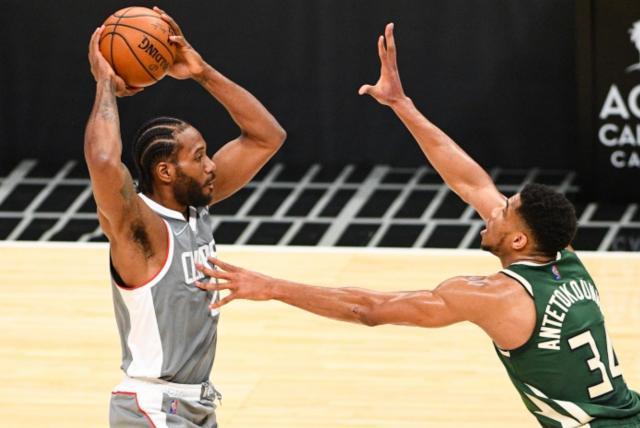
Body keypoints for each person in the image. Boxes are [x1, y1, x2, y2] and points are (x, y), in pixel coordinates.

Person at [195, 23, 640, 427]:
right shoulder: (564, 259)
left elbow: (368, 309)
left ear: (520, 240)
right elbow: (471, 182)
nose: (493, 209)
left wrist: (269, 286)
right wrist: (401, 105)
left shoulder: (494, 296)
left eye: (504, 211)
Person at [85, 7, 286, 427]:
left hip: (195, 405)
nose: (211, 165)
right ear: (165, 172)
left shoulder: (195, 205)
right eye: (199, 157)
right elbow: (103, 161)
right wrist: (105, 83)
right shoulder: (140, 229)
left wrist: (202, 72)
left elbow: (266, 136)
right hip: (152, 408)